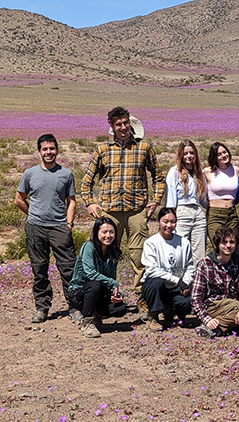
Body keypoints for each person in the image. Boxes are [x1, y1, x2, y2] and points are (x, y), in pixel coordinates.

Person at [80, 106, 165, 318]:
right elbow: (86, 181)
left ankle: (143, 299)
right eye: (118, 124)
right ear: (112, 127)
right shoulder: (102, 150)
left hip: (136, 210)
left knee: (140, 256)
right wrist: (90, 203)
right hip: (109, 212)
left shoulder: (144, 147)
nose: (123, 127)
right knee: (106, 257)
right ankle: (106, 298)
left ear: (130, 123)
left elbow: (158, 177)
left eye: (126, 123)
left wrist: (155, 202)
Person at [15, 133, 78, 324]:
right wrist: (32, 215)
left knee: (69, 269)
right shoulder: (30, 173)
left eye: (52, 148)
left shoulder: (66, 174)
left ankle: (74, 307)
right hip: (36, 228)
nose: (48, 152)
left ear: (57, 150)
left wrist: (68, 224)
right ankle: (42, 308)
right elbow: (19, 199)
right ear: (39, 152)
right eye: (45, 149)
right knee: (39, 269)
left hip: (59, 227)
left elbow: (72, 201)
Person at [190, 226, 239, 338]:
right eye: (224, 242)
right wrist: (206, 319)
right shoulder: (204, 264)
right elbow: (195, 298)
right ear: (218, 244)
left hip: (233, 305)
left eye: (232, 242)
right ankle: (216, 325)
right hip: (213, 305)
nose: (228, 246)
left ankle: (217, 327)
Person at [68, 217, 127, 338]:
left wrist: (117, 294)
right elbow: (91, 273)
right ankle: (87, 321)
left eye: (111, 232)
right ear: (96, 233)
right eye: (104, 232)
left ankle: (96, 314)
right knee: (95, 284)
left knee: (120, 308)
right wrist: (113, 283)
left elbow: (110, 278)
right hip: (80, 292)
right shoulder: (88, 247)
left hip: (99, 292)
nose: (108, 235)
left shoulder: (113, 252)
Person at [141, 207, 194, 331]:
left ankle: (170, 309)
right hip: (158, 286)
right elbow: (152, 270)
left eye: (173, 221)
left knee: (186, 303)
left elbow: (190, 266)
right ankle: (153, 315)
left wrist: (185, 282)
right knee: (156, 282)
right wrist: (177, 280)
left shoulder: (184, 242)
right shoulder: (151, 243)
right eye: (165, 221)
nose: (169, 225)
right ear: (158, 221)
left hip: (175, 287)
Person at [166, 139, 208, 261]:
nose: (189, 156)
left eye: (191, 153)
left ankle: (197, 278)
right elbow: (171, 198)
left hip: (198, 212)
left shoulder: (200, 173)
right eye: (185, 153)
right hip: (182, 211)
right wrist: (171, 216)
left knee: (199, 251)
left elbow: (204, 199)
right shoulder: (174, 172)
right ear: (180, 155)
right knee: (179, 249)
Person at [204, 142, 239, 246]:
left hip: (232, 214)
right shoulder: (208, 171)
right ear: (215, 157)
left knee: (232, 247)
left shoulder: (235, 170)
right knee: (218, 246)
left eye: (225, 152)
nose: (223, 155)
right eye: (219, 154)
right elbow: (201, 194)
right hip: (215, 214)